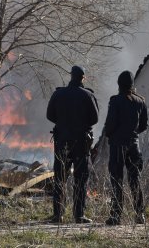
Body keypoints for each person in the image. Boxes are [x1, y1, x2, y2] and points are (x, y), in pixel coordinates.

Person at [46, 65, 99, 223]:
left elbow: (50, 115)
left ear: (71, 76)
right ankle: (79, 215)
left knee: (60, 177)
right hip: (81, 143)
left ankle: (58, 215)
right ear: (83, 78)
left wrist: (63, 124)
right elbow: (94, 119)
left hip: (62, 141)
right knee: (80, 178)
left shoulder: (58, 94)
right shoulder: (88, 95)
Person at [103, 70, 148, 226]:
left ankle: (116, 216)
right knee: (135, 179)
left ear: (119, 84)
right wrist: (132, 133)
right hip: (134, 146)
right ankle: (140, 214)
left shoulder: (115, 101)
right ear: (132, 84)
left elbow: (109, 125)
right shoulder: (140, 101)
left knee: (117, 179)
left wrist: (109, 135)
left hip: (117, 146)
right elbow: (144, 125)